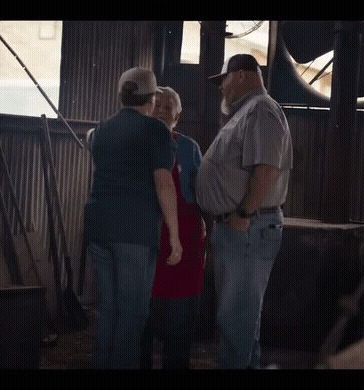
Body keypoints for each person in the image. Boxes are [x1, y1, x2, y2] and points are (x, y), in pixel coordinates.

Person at [195, 54, 293, 369]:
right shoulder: (249, 111)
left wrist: (244, 215)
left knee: (236, 316)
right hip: (242, 228)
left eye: (223, 80)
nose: (221, 88)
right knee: (241, 318)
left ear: (239, 76)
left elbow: (266, 168)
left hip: (247, 228)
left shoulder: (261, 109)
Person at [85, 67, 182, 369]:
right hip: (134, 232)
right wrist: (175, 237)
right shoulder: (156, 131)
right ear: (151, 100)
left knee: (108, 310)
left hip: (98, 227)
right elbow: (164, 182)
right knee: (132, 313)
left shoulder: (100, 129)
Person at [139, 87, 208, 369]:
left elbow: (203, 195)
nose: (161, 111)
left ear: (177, 117)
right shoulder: (134, 144)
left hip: (183, 245)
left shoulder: (189, 149)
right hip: (143, 242)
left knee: (179, 324)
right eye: (156, 105)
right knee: (140, 322)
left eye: (168, 108)